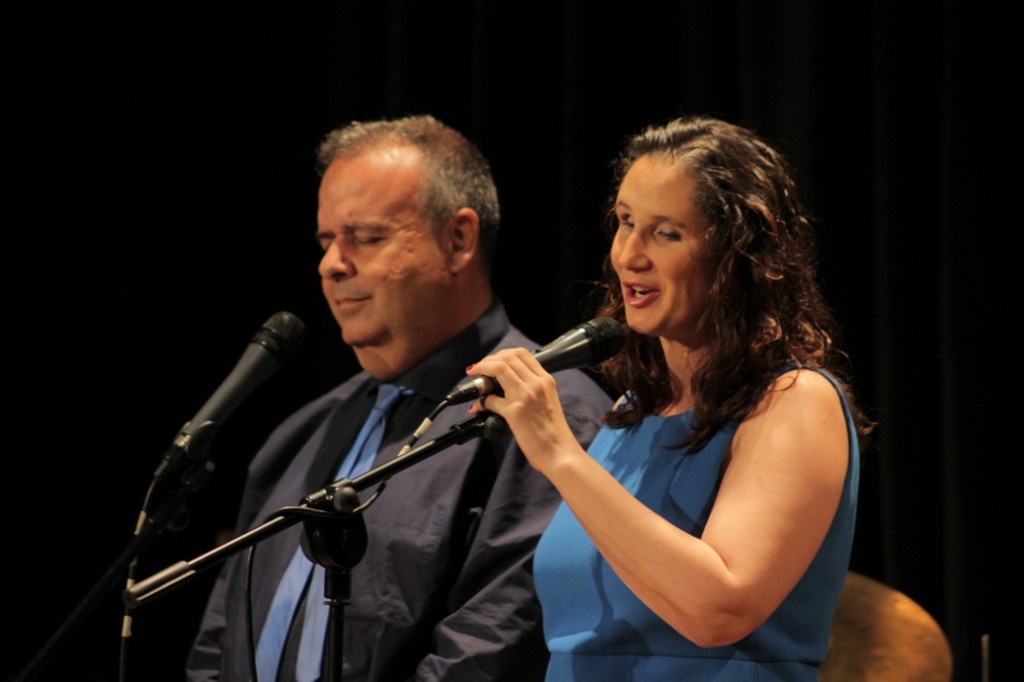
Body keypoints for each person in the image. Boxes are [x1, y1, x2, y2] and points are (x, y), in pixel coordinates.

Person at [185, 114, 612, 682]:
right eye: (326, 241)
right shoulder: (300, 434)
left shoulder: (548, 419)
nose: (331, 264)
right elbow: (220, 637)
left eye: (365, 237)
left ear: (458, 240)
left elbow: (491, 650)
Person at [464, 115, 874, 680]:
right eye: (625, 222)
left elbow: (718, 611)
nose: (629, 254)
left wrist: (560, 454)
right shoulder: (630, 416)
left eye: (666, 232)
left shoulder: (795, 401)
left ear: (736, 258)